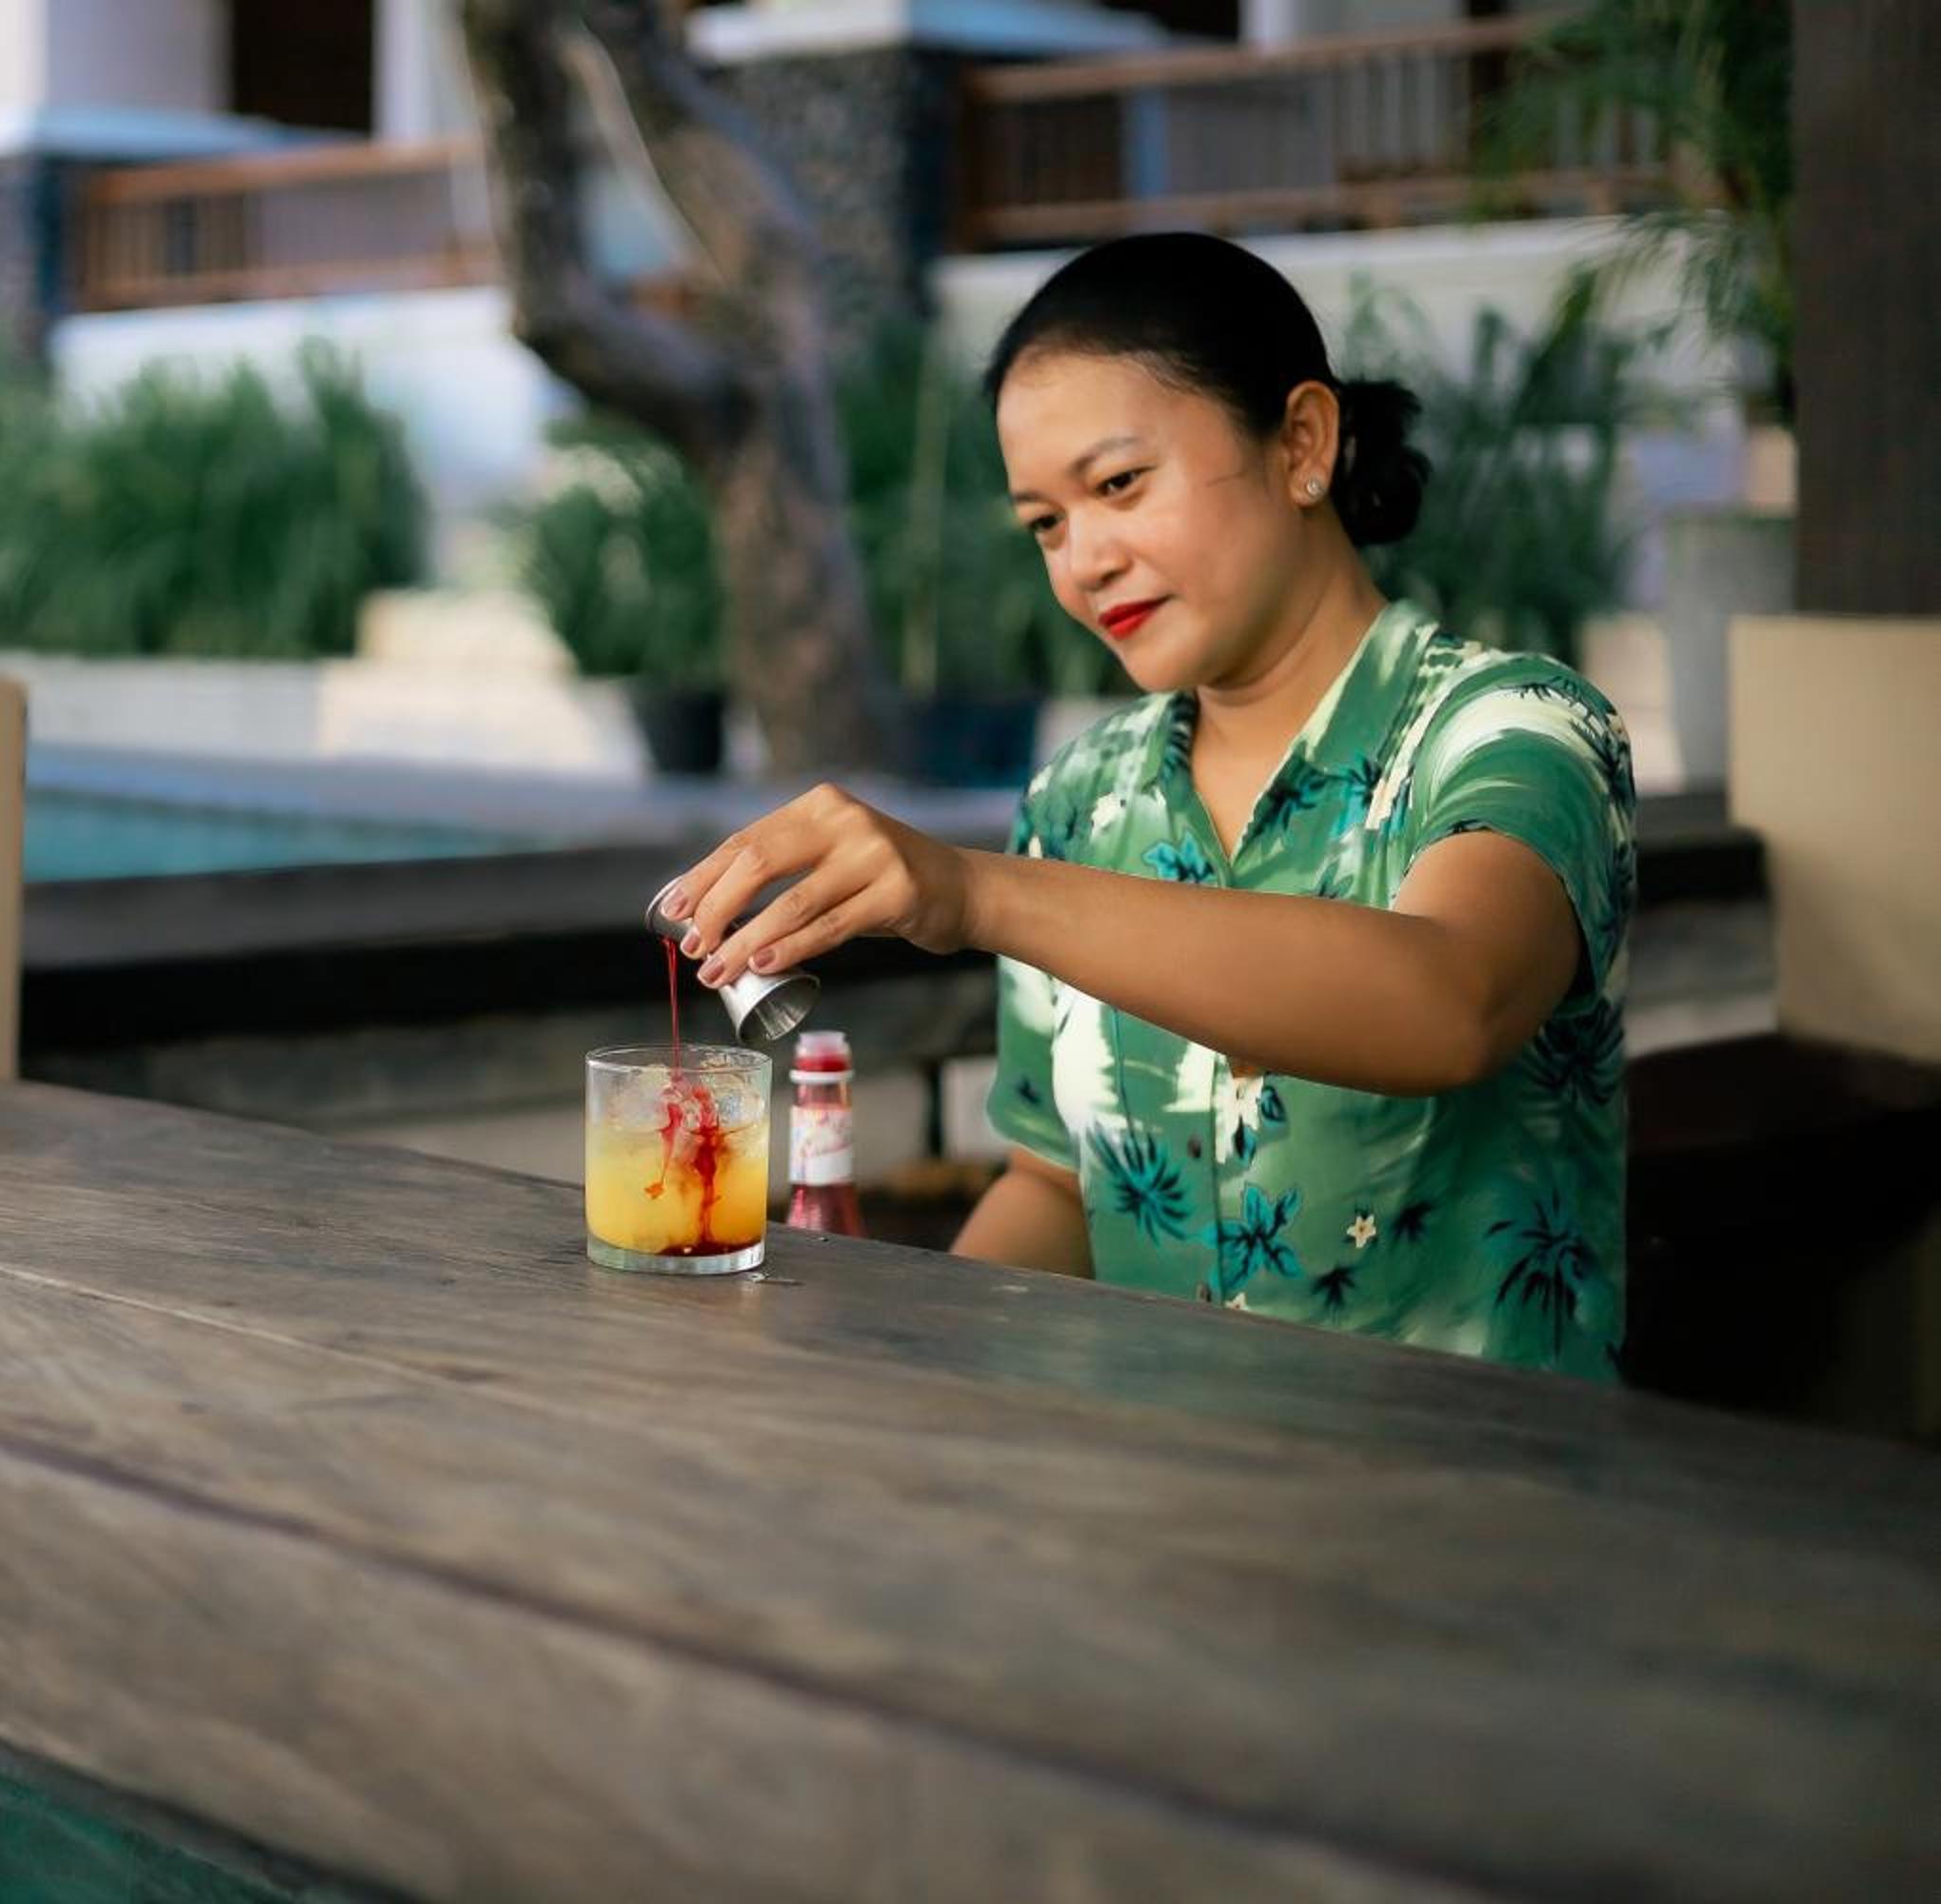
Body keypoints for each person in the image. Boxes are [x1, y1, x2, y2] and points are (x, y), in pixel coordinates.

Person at [660, 232, 1636, 1379]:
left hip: (1470, 1476)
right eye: (1046, 523)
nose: (1084, 560)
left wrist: (974, 891)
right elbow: (1057, 1186)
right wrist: (905, 1369)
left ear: (1303, 443)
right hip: (1144, 1469)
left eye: (1119, 484)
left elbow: (1451, 1000)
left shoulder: (1514, 731)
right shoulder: (1081, 800)